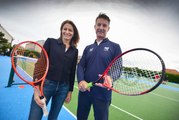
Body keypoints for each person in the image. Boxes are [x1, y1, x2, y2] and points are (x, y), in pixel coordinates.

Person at [28, 20, 80, 120]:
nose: (67, 32)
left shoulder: (75, 50)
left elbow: (72, 71)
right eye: (65, 29)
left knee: (53, 118)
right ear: (61, 30)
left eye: (70, 30)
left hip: (63, 89)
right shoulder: (51, 42)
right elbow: (40, 65)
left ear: (74, 33)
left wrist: (70, 91)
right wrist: (36, 89)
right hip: (46, 85)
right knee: (34, 117)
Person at [77, 13, 122, 120]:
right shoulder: (88, 48)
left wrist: (110, 78)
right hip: (85, 91)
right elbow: (80, 66)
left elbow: (118, 69)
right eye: (99, 25)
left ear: (108, 28)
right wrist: (81, 81)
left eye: (104, 25)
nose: (101, 28)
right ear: (95, 27)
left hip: (103, 94)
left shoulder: (115, 47)